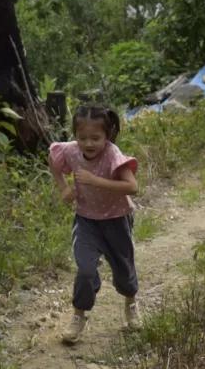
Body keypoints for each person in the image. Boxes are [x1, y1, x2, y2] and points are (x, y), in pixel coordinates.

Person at [49, 104, 141, 345]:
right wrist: (64, 188)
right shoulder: (70, 151)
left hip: (116, 220)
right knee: (86, 270)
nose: (88, 143)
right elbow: (54, 161)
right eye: (82, 138)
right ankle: (78, 315)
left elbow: (132, 187)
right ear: (75, 135)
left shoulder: (112, 154)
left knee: (123, 270)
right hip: (86, 220)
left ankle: (131, 303)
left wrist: (95, 180)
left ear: (107, 135)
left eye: (95, 138)